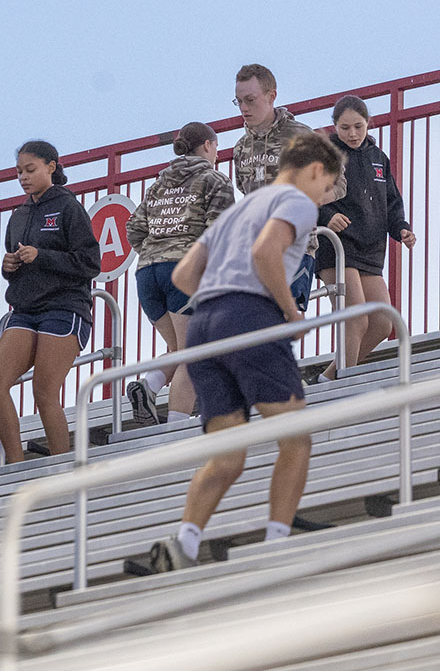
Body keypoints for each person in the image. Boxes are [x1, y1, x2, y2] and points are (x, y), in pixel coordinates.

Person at [150, 133, 344, 572]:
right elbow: (265, 252)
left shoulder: (238, 210)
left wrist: (220, 301)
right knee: (296, 438)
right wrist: (288, 309)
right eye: (327, 186)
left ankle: (186, 542)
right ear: (315, 170)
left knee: (228, 453)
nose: (325, 197)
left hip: (202, 327)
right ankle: (277, 544)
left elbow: (184, 274)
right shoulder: (296, 201)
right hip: (250, 318)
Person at [0, 141, 101, 464]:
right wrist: (9, 268)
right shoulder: (18, 215)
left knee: (43, 390)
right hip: (25, 310)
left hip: (65, 308)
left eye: (30, 170)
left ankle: (64, 466)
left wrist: (42, 256)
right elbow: (22, 266)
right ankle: (15, 464)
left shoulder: (68, 207)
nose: (23, 177)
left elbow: (91, 263)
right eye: (19, 172)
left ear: (51, 167)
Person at [125, 123, 235, 425]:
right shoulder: (214, 180)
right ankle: (176, 425)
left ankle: (149, 385)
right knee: (193, 353)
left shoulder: (158, 185)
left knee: (177, 349)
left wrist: (156, 249)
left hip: (147, 273)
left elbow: (133, 228)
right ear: (209, 145)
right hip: (184, 271)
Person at [314, 95, 415, 380]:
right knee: (355, 319)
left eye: (359, 126)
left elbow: (392, 203)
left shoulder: (378, 157)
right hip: (337, 247)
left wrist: (402, 229)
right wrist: (326, 215)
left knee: (383, 323)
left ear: (368, 123)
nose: (353, 134)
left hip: (370, 249)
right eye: (345, 128)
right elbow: (306, 195)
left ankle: (330, 378)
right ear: (335, 127)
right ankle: (340, 387)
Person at [231, 63, 346, 311]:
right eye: (238, 101)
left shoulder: (301, 137)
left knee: (283, 325)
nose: (243, 108)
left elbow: (339, 183)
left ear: (272, 96)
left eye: (250, 100)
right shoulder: (240, 148)